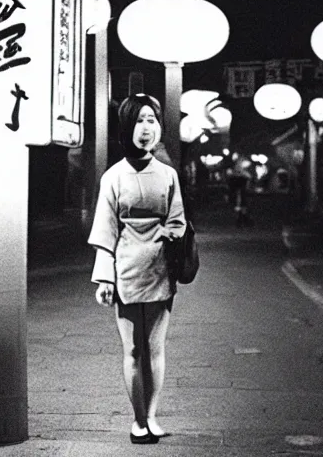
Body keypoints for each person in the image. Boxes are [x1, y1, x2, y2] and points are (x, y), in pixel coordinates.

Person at [87, 93, 186, 444]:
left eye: (152, 120)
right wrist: (104, 277)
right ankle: (137, 420)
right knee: (132, 350)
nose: (147, 129)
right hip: (126, 269)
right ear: (126, 127)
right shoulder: (113, 177)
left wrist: (169, 233)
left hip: (160, 269)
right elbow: (105, 229)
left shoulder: (169, 175)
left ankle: (153, 416)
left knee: (156, 348)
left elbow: (179, 222)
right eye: (140, 120)